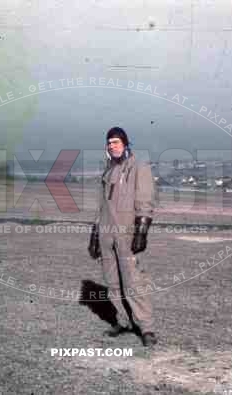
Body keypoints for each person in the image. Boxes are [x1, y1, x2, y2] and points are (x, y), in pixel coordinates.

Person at [89, 126, 157, 347]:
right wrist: (95, 233)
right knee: (113, 282)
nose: (112, 146)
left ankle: (146, 328)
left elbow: (145, 200)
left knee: (134, 281)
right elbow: (101, 206)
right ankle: (124, 321)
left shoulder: (139, 166)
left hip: (127, 234)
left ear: (126, 144)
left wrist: (142, 232)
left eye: (116, 142)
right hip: (107, 234)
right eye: (109, 143)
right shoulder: (108, 171)